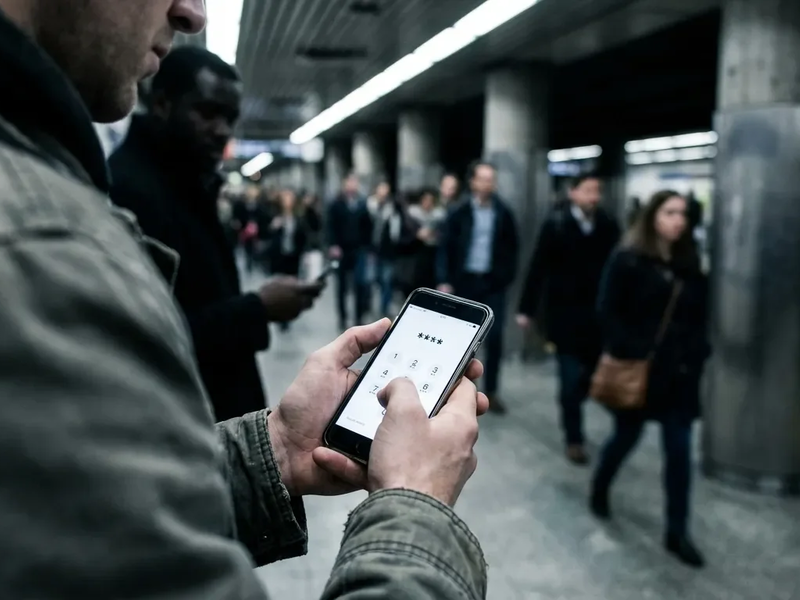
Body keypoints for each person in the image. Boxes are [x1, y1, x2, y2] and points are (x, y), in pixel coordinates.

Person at [0, 3, 490, 598]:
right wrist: (415, 503)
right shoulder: (41, 241)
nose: (189, 12)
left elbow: (76, 509)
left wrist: (276, 449)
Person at [110, 47, 322, 421]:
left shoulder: (185, 181)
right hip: (183, 421)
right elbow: (148, 336)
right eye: (207, 113)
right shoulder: (132, 191)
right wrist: (258, 308)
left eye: (230, 118)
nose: (222, 131)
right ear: (162, 104)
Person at [590, 190, 710, 568]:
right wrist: (631, 349)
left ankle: (677, 531)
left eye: (683, 214)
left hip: (681, 375)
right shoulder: (628, 259)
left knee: (679, 452)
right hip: (640, 372)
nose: (679, 220)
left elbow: (699, 315)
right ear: (653, 216)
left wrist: (698, 351)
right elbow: (607, 311)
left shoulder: (689, 262)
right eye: (670, 212)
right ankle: (600, 485)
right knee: (625, 437)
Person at [516, 174, 621, 464]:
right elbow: (537, 268)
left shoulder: (608, 225)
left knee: (589, 376)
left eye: (597, 190)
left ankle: (577, 401)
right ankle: (574, 438)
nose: (594, 196)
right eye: (587, 190)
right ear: (573, 193)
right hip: (564, 317)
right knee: (569, 380)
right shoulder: (556, 224)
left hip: (598, 319)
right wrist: (526, 309)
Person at [437, 161, 520, 414]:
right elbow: (445, 247)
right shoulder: (459, 212)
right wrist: (444, 279)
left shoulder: (503, 213)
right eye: (483, 179)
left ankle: (491, 392)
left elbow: (512, 249)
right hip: (464, 282)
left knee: (494, 339)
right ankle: (456, 388)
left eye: (491, 179)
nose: (488, 184)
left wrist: (505, 277)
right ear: (472, 182)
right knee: (462, 338)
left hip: (492, 283)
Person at [327, 173, 374, 329]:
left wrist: (367, 247)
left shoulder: (362, 203)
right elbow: (330, 226)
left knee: (360, 284)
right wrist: (333, 244)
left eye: (355, 182)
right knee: (341, 286)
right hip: (341, 250)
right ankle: (342, 317)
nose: (353, 185)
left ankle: (358, 316)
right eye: (350, 182)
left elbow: (368, 227)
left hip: (358, 249)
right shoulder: (336, 203)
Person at [408, 187, 447, 289]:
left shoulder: (439, 215)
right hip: (417, 251)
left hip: (433, 251)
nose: (427, 203)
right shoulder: (413, 213)